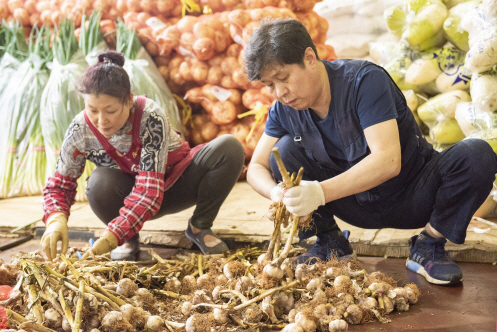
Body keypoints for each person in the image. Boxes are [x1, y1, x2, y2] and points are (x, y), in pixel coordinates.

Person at [244, 18, 497, 285]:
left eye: (283, 78)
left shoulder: (364, 81)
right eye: (268, 85)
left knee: (477, 154)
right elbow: (257, 167)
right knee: (284, 151)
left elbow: (388, 161)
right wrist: (277, 193)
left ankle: (428, 244)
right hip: (354, 204)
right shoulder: (284, 108)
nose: (280, 92)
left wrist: (319, 192)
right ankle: (330, 242)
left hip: (413, 196)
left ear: (309, 57)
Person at [41, 51, 245, 261]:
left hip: (174, 186)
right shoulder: (79, 129)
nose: (101, 120)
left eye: (110, 111)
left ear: (129, 101)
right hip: (127, 195)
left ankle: (199, 226)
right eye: (92, 110)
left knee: (228, 147)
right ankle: (128, 239)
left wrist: (112, 236)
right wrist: (56, 219)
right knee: (99, 181)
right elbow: (59, 185)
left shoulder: (149, 116)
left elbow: (149, 191)